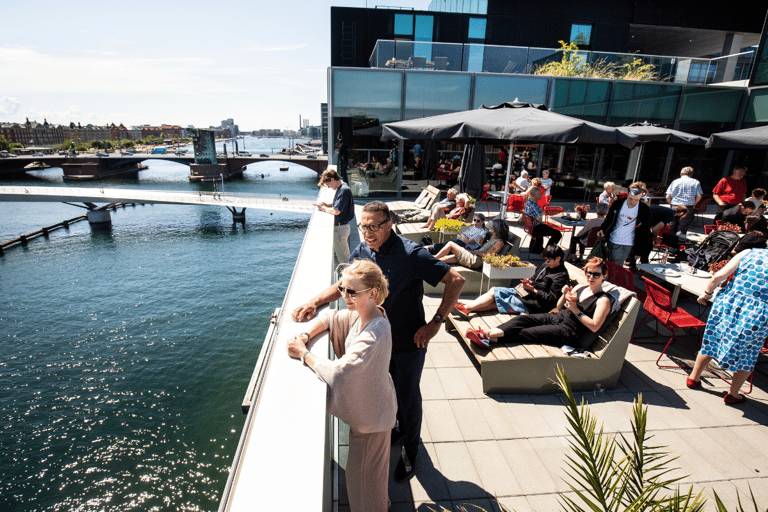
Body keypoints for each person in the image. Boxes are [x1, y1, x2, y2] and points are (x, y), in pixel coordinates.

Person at [291, 202, 465, 483]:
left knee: (408, 397)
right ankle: (398, 428)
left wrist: (435, 324)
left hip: (409, 342)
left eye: (375, 226)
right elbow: (344, 285)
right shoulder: (364, 251)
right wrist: (314, 301)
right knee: (387, 388)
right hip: (378, 340)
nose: (368, 232)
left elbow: (455, 280)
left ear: (389, 224)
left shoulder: (411, 254)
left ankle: (411, 451)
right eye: (364, 226)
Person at [286, 260, 396, 512]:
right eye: (342, 289)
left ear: (373, 294)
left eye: (351, 292)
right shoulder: (365, 315)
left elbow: (341, 373)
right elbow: (330, 317)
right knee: (373, 476)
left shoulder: (374, 332)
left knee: (361, 487)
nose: (344, 296)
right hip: (377, 411)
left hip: (372, 422)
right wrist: (305, 335)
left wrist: (304, 354)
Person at [464, 257, 611, 349]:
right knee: (523, 319)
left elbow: (594, 326)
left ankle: (487, 336)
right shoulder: (580, 287)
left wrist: (575, 310)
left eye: (596, 274)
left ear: (604, 276)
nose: (591, 277)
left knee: (527, 332)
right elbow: (559, 307)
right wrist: (564, 295)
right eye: (589, 273)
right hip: (556, 317)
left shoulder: (603, 300)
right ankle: (486, 336)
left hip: (568, 330)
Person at [689, 249, 768, 405]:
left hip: (729, 303)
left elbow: (719, 276)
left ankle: (693, 378)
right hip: (758, 312)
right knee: (748, 353)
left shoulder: (749, 252)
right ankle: (733, 394)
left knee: (711, 340)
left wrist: (707, 293)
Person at [454, 245, 568, 317]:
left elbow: (551, 299)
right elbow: (535, 278)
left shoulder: (560, 275)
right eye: (546, 260)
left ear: (558, 259)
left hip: (535, 304)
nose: (547, 263)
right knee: (494, 292)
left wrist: (534, 290)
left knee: (496, 302)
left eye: (549, 261)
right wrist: (529, 282)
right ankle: (464, 306)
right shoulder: (546, 266)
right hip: (526, 293)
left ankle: (466, 307)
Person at [599, 182, 651, 266]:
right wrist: (602, 229)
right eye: (630, 198)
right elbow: (609, 219)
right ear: (627, 193)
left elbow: (645, 230)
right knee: (608, 264)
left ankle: (610, 279)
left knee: (615, 265)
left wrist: (640, 250)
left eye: (636, 200)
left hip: (626, 243)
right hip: (611, 239)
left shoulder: (644, 209)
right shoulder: (618, 204)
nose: (632, 202)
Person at [432, 218, 508, 269]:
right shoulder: (493, 238)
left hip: (476, 260)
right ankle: (430, 261)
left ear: (497, 228)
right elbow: (484, 250)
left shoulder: (499, 242)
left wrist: (473, 251)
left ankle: (433, 258)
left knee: (451, 244)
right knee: (448, 258)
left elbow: (487, 255)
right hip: (475, 255)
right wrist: (481, 244)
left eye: (493, 226)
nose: (491, 227)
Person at [316, 168, 355, 264]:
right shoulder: (343, 187)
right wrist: (327, 204)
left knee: (344, 259)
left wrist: (323, 209)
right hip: (342, 227)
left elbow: (336, 211)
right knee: (341, 256)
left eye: (328, 184)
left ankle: (348, 277)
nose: (329, 187)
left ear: (333, 179)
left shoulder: (343, 190)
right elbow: (339, 205)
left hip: (340, 228)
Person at [525, 187, 563, 254]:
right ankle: (548, 252)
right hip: (536, 228)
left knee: (548, 228)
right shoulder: (532, 206)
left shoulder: (530, 203)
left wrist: (540, 214)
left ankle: (539, 249)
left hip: (533, 227)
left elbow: (542, 211)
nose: (541, 195)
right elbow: (539, 219)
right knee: (558, 234)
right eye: (539, 194)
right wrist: (540, 215)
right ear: (534, 195)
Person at [665, 166, 703, 235]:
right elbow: (699, 195)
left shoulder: (675, 182)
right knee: (683, 227)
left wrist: (670, 204)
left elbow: (668, 196)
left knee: (672, 225)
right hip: (688, 206)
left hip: (675, 205)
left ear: (681, 173)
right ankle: (679, 243)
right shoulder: (696, 182)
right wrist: (694, 204)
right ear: (691, 174)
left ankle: (670, 243)